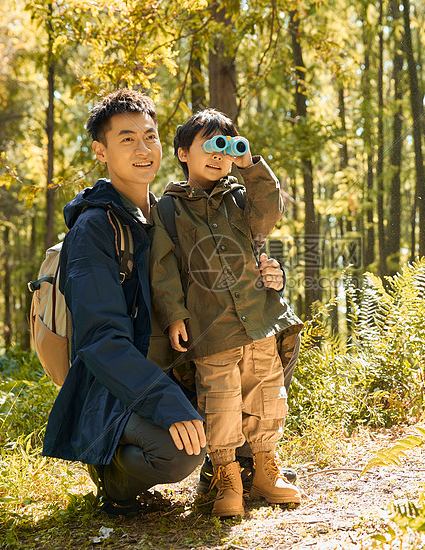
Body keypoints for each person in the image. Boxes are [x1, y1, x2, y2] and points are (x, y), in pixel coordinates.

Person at [40, 89, 286, 516]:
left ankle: (246, 465)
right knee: (180, 452)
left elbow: (227, 264)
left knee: (265, 347)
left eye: (149, 136)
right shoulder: (96, 229)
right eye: (127, 139)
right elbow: (101, 341)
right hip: (117, 389)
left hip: (174, 365)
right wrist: (168, 405)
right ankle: (113, 474)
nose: (142, 149)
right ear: (101, 151)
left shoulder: (167, 212)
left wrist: (269, 277)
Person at [148, 108, 303, 517]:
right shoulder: (169, 209)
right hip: (210, 327)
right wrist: (174, 315)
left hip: (257, 319)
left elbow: (269, 214)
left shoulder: (240, 199)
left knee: (267, 394)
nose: (220, 155)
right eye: (210, 145)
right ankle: (227, 480)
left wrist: (250, 164)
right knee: (221, 403)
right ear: (183, 152)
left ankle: (267, 471)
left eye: (227, 146)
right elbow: (162, 268)